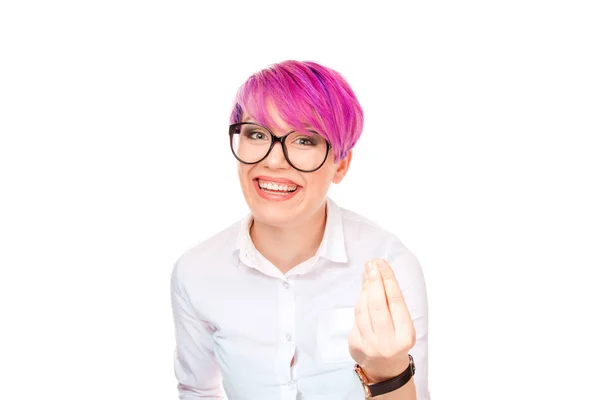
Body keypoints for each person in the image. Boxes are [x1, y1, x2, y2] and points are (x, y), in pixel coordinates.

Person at [170, 60, 430, 399]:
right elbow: (197, 390)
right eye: (257, 134)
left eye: (304, 141)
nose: (274, 161)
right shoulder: (195, 271)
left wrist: (389, 373)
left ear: (341, 164)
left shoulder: (389, 263)